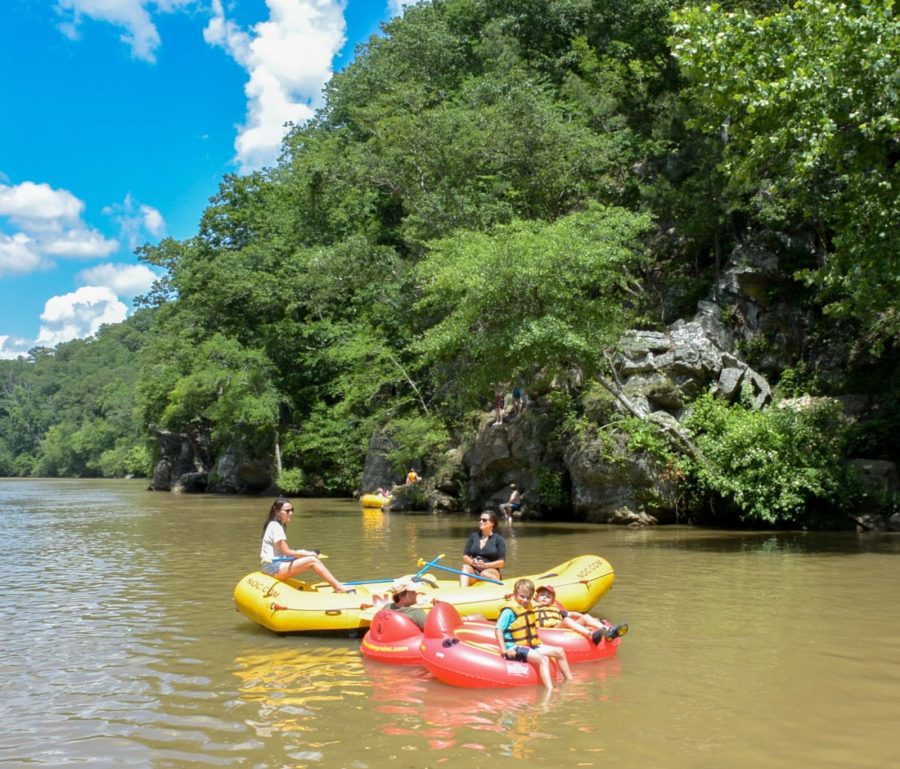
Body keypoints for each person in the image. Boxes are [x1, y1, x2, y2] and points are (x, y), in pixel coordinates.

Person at [258, 497, 352, 592]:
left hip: (271, 565)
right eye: (287, 511)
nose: (291, 513)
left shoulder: (274, 524)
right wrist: (308, 554)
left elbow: (283, 552)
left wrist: (302, 553)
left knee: (306, 556)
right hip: (272, 568)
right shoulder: (276, 526)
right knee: (313, 560)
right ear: (277, 511)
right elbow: (286, 552)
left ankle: (335, 584)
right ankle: (338, 587)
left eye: (292, 510)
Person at [495, 578, 573, 690]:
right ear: (515, 594)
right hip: (514, 646)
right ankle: (550, 690)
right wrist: (504, 650)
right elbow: (498, 629)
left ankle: (570, 682)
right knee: (543, 659)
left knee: (560, 651)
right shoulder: (509, 611)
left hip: (530, 644)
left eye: (528, 598)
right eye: (522, 596)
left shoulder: (529, 607)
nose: (525, 600)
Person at [533, 584, 628, 644]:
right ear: (536, 598)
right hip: (548, 630)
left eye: (548, 597)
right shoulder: (532, 609)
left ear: (552, 601)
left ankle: (609, 631)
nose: (544, 597)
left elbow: (573, 614)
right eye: (542, 595)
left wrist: (592, 619)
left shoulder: (557, 610)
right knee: (566, 620)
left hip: (560, 628)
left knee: (586, 616)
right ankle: (590, 634)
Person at [460, 510, 507, 586]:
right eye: (480, 520)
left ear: (492, 523)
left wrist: (485, 565)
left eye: (484, 520)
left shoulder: (499, 539)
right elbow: (465, 556)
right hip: (474, 571)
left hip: (491, 570)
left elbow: (501, 563)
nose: (481, 522)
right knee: (465, 567)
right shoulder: (473, 536)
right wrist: (472, 562)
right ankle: (462, 590)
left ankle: (500, 586)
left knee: (484, 573)